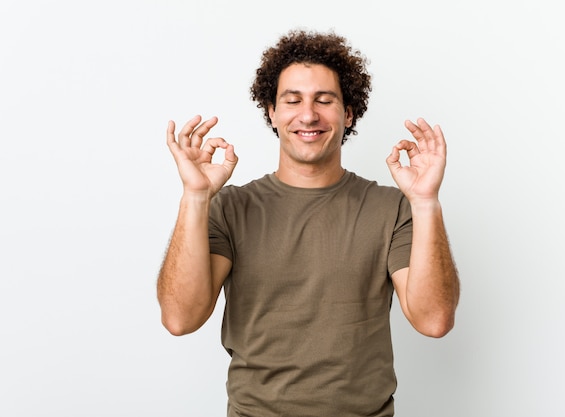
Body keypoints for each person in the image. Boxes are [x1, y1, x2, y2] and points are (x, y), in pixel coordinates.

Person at [157, 29, 460, 417]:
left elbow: (433, 320)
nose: (308, 114)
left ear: (348, 112)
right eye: (293, 99)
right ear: (272, 112)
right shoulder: (230, 207)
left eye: (325, 99)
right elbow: (180, 319)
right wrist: (196, 197)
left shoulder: (393, 208)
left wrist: (426, 201)